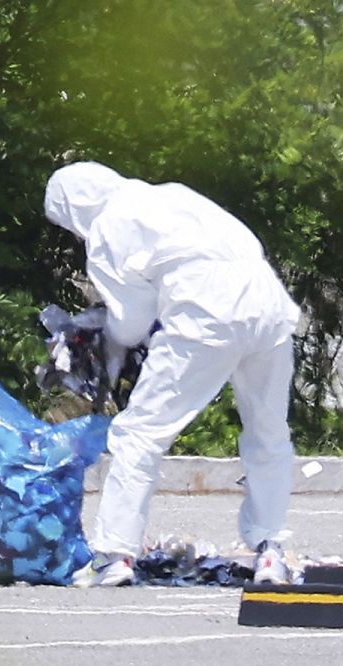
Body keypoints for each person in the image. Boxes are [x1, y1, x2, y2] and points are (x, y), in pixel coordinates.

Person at [43, 161, 302, 587]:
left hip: (206, 313)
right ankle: (270, 551)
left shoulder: (109, 226)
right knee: (269, 432)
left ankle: (114, 554)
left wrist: (101, 334)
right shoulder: (173, 194)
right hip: (269, 305)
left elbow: (130, 324)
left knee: (139, 433)